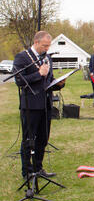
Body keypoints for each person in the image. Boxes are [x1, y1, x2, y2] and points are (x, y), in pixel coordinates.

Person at [13, 31, 66, 179]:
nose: (47, 49)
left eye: (48, 46)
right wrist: (38, 74)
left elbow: (48, 81)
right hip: (30, 105)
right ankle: (27, 171)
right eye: (44, 46)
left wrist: (59, 84)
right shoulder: (22, 57)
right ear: (36, 42)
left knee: (43, 138)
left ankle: (38, 168)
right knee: (29, 139)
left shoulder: (47, 58)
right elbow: (19, 80)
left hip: (45, 104)